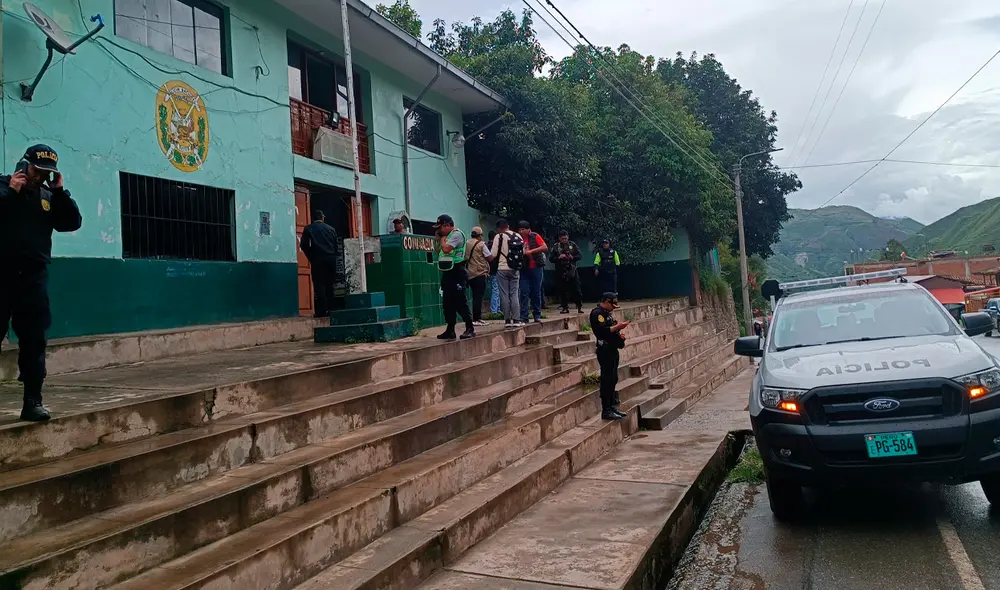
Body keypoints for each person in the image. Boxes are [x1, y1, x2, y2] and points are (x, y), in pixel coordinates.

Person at [0, 144, 83, 421]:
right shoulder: (3, 187)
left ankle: (32, 401)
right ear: (23, 166)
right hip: (1, 274)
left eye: (46, 173)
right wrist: (11, 192)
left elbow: (71, 223)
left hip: (33, 278)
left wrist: (59, 192)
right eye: (37, 170)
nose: (40, 177)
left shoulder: (49, 196)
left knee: (34, 340)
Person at [434, 214, 475, 340]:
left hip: (457, 271)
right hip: (448, 272)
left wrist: (442, 238)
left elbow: (446, 249)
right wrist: (439, 239)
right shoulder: (447, 236)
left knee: (460, 301)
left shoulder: (456, 234)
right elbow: (439, 251)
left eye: (440, 227)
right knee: (447, 303)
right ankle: (450, 330)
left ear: (447, 225)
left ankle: (470, 328)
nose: (439, 230)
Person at [590, 292, 629, 420]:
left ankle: (612, 406)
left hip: (612, 349)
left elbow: (611, 331)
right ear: (606, 302)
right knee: (607, 380)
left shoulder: (607, 314)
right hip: (605, 351)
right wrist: (617, 327)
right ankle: (606, 409)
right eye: (612, 305)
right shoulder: (597, 314)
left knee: (613, 378)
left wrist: (619, 335)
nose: (613, 308)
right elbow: (602, 332)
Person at [300, 210, 340, 318]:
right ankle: (331, 310)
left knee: (319, 285)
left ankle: (322, 311)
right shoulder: (331, 229)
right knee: (330, 284)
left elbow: (304, 245)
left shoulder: (308, 229)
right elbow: (336, 246)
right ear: (322, 218)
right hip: (331, 259)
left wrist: (311, 257)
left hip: (318, 259)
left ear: (313, 219)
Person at [489, 219, 523, 328]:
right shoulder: (518, 236)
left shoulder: (498, 237)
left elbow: (493, 254)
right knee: (514, 294)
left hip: (502, 269)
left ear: (498, 228)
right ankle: (516, 319)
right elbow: (523, 252)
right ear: (508, 226)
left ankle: (507, 320)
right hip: (515, 269)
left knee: (504, 294)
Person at [518, 220, 548, 324]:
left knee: (536, 292)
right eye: (520, 229)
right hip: (524, 268)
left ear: (528, 229)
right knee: (524, 292)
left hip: (536, 267)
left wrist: (530, 251)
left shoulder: (535, 236)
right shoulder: (518, 238)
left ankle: (537, 315)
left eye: (523, 229)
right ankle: (524, 316)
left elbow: (544, 247)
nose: (521, 231)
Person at [464, 226, 494, 327]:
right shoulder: (481, 245)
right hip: (480, 273)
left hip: (469, 274)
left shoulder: (467, 243)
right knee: (478, 297)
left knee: (475, 296)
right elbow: (490, 257)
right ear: (480, 235)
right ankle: (477, 318)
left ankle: (475, 318)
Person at [549, 230, 583, 314]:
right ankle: (564, 307)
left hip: (572, 269)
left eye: (565, 238)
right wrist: (558, 257)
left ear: (568, 237)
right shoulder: (556, 246)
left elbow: (580, 256)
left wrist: (572, 257)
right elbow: (551, 259)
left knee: (576, 289)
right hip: (560, 269)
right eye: (562, 238)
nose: (564, 240)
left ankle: (579, 306)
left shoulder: (572, 245)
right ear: (559, 238)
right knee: (562, 289)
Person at [487, 230, 501, 315]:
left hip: (489, 271)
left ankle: (497, 309)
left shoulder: (486, 246)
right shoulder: (495, 246)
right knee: (496, 291)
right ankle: (494, 311)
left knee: (495, 290)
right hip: (495, 271)